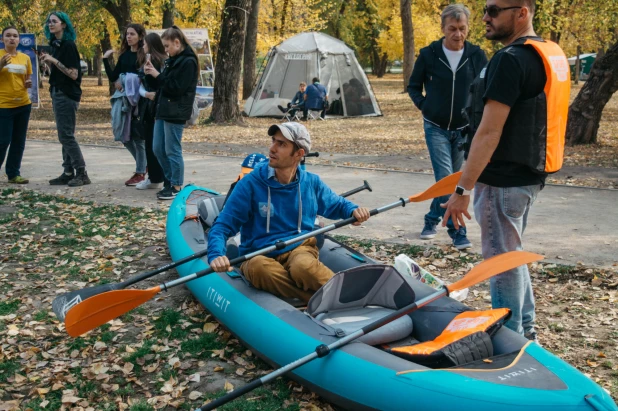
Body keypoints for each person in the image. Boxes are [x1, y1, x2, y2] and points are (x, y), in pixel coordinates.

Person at [442, 0, 570, 341]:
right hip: (528, 177)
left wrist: (462, 190)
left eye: (494, 9)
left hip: (502, 180)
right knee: (511, 255)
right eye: (485, 8)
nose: (485, 16)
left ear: (521, 12)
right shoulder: (546, 53)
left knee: (500, 261)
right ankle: (525, 332)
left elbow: (488, 131)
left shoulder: (510, 60)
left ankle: (509, 338)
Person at [208, 123, 371, 302]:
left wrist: (353, 211)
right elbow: (223, 224)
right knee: (260, 269)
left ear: (299, 154)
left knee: (303, 267)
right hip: (257, 254)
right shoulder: (250, 184)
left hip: (299, 247)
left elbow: (336, 205)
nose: (272, 148)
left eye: (282, 144)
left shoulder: (311, 182)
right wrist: (216, 254)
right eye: (273, 141)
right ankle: (322, 301)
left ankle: (349, 297)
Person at [407, 4, 487, 250]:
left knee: (450, 181)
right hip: (436, 126)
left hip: (463, 128)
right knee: (447, 179)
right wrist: (425, 106)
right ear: (443, 29)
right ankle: (457, 231)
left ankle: (431, 218)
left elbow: (485, 87)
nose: (458, 34)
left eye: (462, 29)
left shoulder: (476, 55)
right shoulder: (429, 53)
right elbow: (413, 86)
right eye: (452, 28)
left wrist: (476, 116)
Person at [144, 26, 198, 200]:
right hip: (163, 109)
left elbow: (176, 88)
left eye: (167, 46)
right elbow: (163, 84)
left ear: (177, 42)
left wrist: (157, 75)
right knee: (158, 148)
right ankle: (169, 180)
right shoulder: (173, 60)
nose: (165, 50)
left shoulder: (188, 61)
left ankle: (176, 185)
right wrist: (152, 74)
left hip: (176, 111)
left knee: (172, 149)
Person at [41, 11, 90, 187]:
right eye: (48, 22)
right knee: (65, 134)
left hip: (66, 95)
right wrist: (47, 63)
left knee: (66, 135)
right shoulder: (56, 45)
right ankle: (68, 171)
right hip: (57, 92)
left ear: (64, 25)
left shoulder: (69, 45)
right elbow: (57, 73)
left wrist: (53, 61)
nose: (50, 24)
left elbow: (73, 74)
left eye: (54, 21)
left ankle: (82, 172)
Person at [103, 24, 148, 187]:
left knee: (138, 137)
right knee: (123, 135)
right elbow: (113, 76)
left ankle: (140, 172)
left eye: (132, 34)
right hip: (125, 101)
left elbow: (146, 77)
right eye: (127, 34)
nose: (128, 37)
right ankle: (144, 166)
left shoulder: (145, 55)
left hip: (141, 101)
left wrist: (129, 80)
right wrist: (105, 60)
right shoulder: (124, 56)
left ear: (140, 36)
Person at [0, 26, 33, 184]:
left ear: (19, 40)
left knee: (18, 141)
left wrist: (28, 83)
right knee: (3, 140)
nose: (12, 38)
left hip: (23, 104)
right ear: (2, 39)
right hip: (3, 105)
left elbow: (27, 79)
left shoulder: (25, 58)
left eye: (15, 36)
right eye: (8, 36)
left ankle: (13, 174)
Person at [135, 33, 166, 191]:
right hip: (149, 105)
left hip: (154, 108)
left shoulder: (156, 61)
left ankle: (156, 178)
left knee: (154, 144)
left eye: (145, 43)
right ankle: (156, 177)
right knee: (152, 144)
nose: (143, 46)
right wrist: (145, 94)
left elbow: (154, 83)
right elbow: (143, 85)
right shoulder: (150, 60)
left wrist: (148, 93)